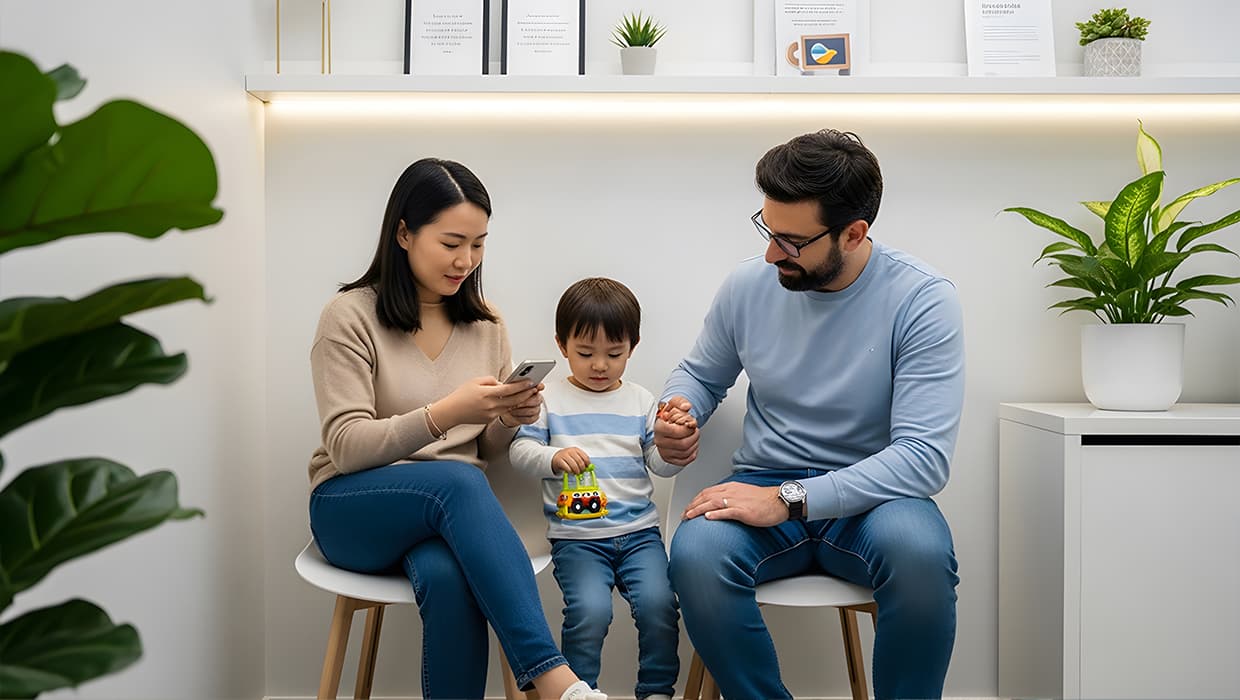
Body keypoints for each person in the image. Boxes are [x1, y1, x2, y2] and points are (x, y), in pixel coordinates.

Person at [654, 129, 965, 700]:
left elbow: (923, 460)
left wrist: (792, 499)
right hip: (763, 483)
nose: (773, 253)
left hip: (874, 496)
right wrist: (677, 415)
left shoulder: (922, 299)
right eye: (768, 231)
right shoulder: (748, 285)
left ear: (853, 233)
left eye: (792, 242)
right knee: (696, 554)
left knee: (921, 557)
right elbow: (699, 374)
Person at [307, 158, 607, 700]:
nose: (466, 260)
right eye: (451, 243)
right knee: (460, 484)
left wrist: (506, 419)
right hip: (352, 507)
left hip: (447, 517)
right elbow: (347, 447)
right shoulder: (348, 317)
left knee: (448, 578)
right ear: (403, 232)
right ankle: (555, 681)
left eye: (479, 243)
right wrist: (450, 410)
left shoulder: (486, 323)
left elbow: (485, 449)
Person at [509, 277, 689, 700]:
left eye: (614, 354)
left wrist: (673, 447)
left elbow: (659, 465)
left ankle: (658, 691)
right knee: (589, 612)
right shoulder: (548, 399)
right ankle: (579, 690)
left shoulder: (641, 400)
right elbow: (520, 452)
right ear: (561, 344)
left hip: (640, 535)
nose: (600, 366)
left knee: (660, 607)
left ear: (633, 345)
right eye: (585, 353)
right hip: (578, 539)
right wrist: (553, 458)